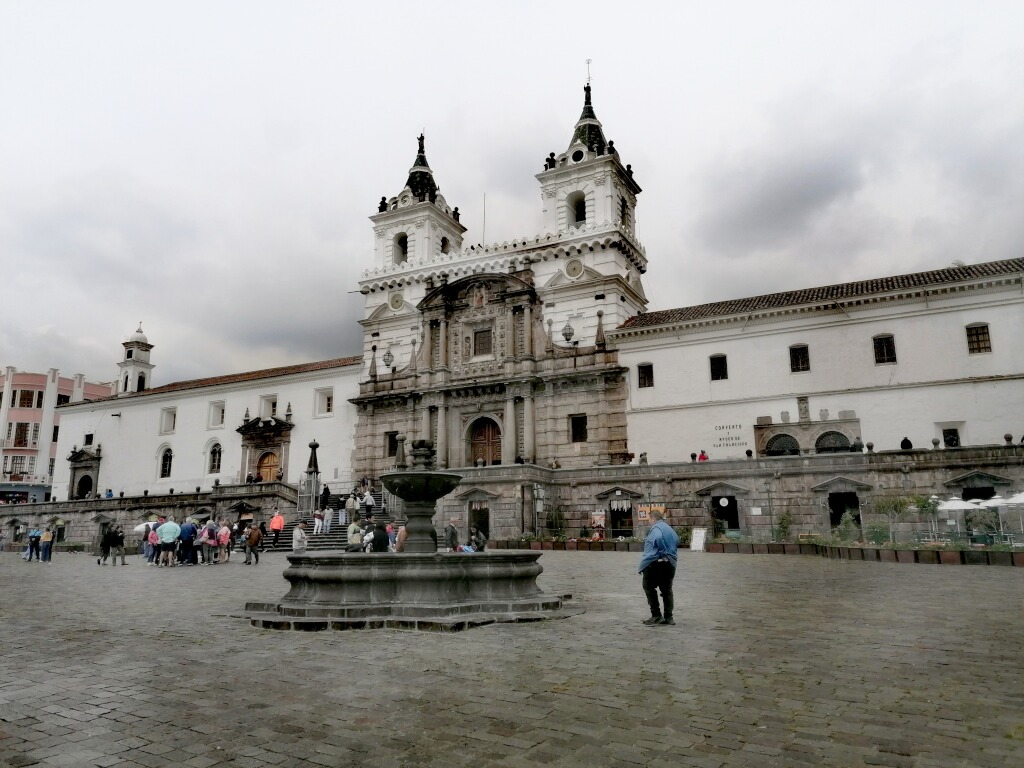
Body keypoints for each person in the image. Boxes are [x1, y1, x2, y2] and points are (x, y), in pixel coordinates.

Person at [638, 509, 679, 626]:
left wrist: (663, 552)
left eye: (649, 520)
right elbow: (677, 540)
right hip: (670, 563)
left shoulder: (656, 528)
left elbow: (658, 538)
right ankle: (669, 617)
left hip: (656, 563)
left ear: (653, 519)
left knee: (648, 587)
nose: (649, 522)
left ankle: (656, 615)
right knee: (667, 590)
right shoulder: (669, 529)